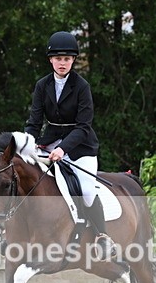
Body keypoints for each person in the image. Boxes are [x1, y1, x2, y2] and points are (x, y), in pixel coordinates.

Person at [24, 30, 116, 261]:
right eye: (58, 58)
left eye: (66, 59)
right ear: (50, 60)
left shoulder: (82, 86)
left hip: (81, 146)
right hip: (50, 142)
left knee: (85, 190)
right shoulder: (42, 85)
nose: (62, 63)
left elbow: (84, 126)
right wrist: (26, 144)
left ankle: (102, 236)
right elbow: (35, 121)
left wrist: (63, 149)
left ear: (73, 60)